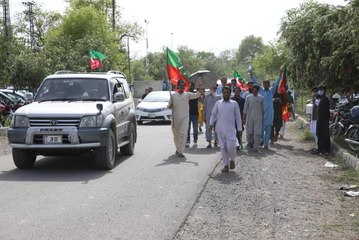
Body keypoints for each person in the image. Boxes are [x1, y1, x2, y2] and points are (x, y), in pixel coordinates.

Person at [209, 86, 242, 172]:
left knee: (231, 146)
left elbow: (238, 117)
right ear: (222, 93)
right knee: (223, 147)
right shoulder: (218, 103)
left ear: (230, 94)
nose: (226, 94)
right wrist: (211, 123)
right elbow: (213, 114)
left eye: (227, 93)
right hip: (220, 129)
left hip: (230, 129)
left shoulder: (234, 104)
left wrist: (239, 128)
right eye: (224, 93)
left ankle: (232, 159)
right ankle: (226, 165)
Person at [168, 79, 202, 157]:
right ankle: (178, 147)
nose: (182, 86)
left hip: (185, 117)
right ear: (178, 86)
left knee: (183, 134)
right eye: (180, 85)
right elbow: (169, 106)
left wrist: (200, 87)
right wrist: (171, 105)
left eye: (183, 85)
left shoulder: (187, 95)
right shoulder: (173, 96)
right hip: (175, 118)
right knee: (176, 135)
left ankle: (180, 151)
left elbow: (197, 95)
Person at [250, 72, 281, 149]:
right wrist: (251, 75)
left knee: (268, 129)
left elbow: (276, 83)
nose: (265, 85)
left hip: (269, 113)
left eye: (267, 84)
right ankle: (263, 140)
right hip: (261, 113)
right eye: (264, 84)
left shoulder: (271, 91)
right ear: (263, 84)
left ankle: (266, 144)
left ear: (269, 84)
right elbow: (255, 82)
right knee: (260, 129)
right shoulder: (260, 90)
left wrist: (280, 75)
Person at [243, 84, 264, 152]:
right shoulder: (248, 97)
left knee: (257, 132)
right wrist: (244, 118)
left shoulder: (261, 98)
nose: (255, 91)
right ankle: (250, 142)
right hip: (250, 117)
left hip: (258, 117)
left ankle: (256, 147)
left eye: (256, 90)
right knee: (249, 132)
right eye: (253, 90)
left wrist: (263, 118)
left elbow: (263, 109)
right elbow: (245, 109)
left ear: (258, 91)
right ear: (252, 90)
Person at [203, 83, 221, 148]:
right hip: (208, 116)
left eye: (215, 88)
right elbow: (204, 107)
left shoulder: (219, 97)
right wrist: (204, 116)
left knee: (217, 129)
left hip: (217, 116)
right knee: (208, 129)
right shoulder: (206, 97)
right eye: (212, 88)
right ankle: (209, 142)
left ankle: (216, 141)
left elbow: (221, 107)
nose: (213, 89)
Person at [316, 85, 331, 154]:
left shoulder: (325, 99)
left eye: (322, 90)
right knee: (321, 134)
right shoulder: (321, 99)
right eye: (319, 90)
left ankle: (323, 149)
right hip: (321, 120)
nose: (320, 91)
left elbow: (325, 111)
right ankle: (322, 149)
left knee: (323, 134)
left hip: (323, 120)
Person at [186, 82, 199, 147]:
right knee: (187, 128)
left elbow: (201, 100)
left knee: (195, 128)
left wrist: (200, 91)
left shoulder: (196, 94)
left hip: (195, 114)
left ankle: (195, 140)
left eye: (192, 86)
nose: (191, 87)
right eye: (190, 86)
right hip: (188, 114)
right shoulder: (186, 94)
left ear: (194, 87)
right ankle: (187, 141)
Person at [310, 87, 319, 153]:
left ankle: (318, 146)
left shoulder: (318, 99)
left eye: (315, 91)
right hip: (313, 117)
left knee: (316, 132)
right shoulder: (314, 98)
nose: (314, 93)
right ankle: (317, 146)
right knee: (314, 132)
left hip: (317, 118)